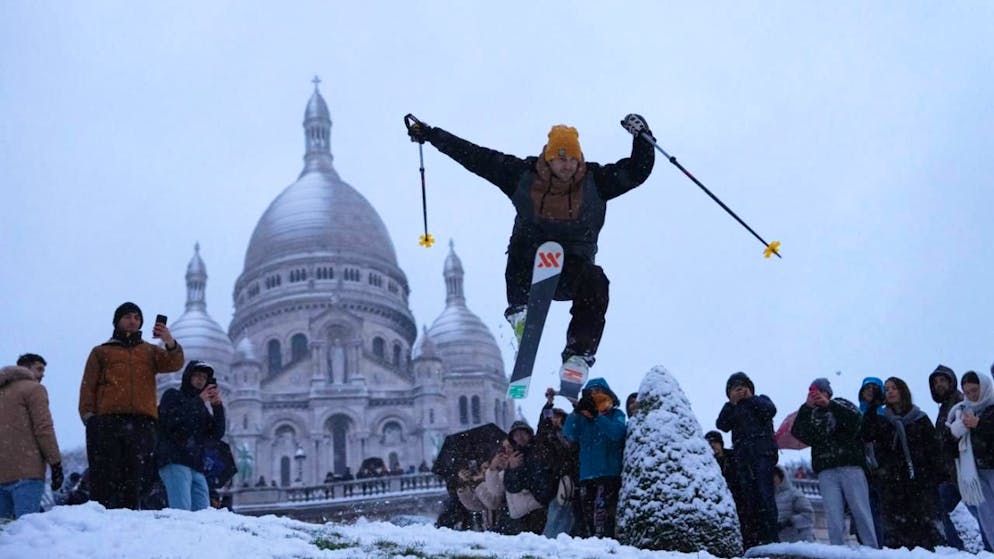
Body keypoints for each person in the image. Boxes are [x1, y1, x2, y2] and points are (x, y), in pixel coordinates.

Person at [406, 115, 655, 381]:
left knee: (597, 280)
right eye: (561, 159)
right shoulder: (522, 176)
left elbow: (637, 171)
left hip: (572, 273)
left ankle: (578, 355)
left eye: (573, 159)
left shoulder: (596, 181)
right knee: (524, 239)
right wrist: (432, 135)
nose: (568, 166)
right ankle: (520, 313)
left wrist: (643, 137)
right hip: (531, 268)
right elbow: (476, 157)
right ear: (548, 158)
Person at [78, 301, 184, 509]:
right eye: (128, 316)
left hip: (143, 422)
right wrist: (89, 417)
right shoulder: (101, 352)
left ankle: (132, 519)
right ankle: (104, 519)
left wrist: (168, 340)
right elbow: (88, 386)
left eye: (137, 317)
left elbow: (174, 363)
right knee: (107, 474)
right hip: (109, 421)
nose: (133, 321)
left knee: (138, 476)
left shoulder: (150, 351)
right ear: (117, 321)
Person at [790, 377, 879, 547]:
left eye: (820, 392)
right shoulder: (810, 414)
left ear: (828, 393)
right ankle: (837, 550)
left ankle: (872, 549)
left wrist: (829, 404)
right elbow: (799, 432)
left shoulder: (842, 404)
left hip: (851, 465)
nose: (816, 396)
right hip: (826, 469)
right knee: (833, 514)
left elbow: (856, 422)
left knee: (860, 509)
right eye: (812, 393)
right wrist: (806, 407)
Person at [860, 376, 945, 550]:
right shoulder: (882, 419)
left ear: (902, 391)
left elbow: (934, 449)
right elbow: (866, 434)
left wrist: (936, 476)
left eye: (894, 388)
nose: (890, 391)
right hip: (892, 482)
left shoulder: (919, 418)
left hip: (918, 481)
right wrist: (873, 406)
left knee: (923, 532)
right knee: (896, 535)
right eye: (887, 389)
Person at [716, 371, 779, 548]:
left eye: (742, 387)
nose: (739, 391)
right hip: (742, 459)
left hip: (762, 454)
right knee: (748, 500)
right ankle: (753, 539)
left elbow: (771, 410)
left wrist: (750, 399)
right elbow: (721, 425)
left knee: (765, 495)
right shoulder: (731, 408)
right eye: (734, 389)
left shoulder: (760, 400)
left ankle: (771, 537)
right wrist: (732, 404)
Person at [156, 360, 225, 511]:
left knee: (203, 514)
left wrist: (217, 407)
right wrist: (199, 401)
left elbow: (216, 434)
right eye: (197, 375)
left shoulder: (201, 407)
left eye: (204, 377)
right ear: (188, 376)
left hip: (196, 466)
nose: (201, 380)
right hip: (175, 461)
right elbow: (173, 422)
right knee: (182, 513)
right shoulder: (172, 395)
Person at [563, 378, 627, 539]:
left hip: (609, 475)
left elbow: (616, 433)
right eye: (591, 393)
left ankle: (608, 548)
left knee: (605, 519)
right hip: (587, 476)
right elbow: (569, 433)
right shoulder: (582, 419)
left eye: (599, 391)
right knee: (588, 518)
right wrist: (576, 411)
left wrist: (597, 416)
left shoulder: (616, 414)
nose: (595, 395)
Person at [0, 362, 62, 519]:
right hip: (27, 471)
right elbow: (43, 429)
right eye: (39, 369)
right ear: (27, 368)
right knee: (27, 530)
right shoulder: (34, 390)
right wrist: (55, 463)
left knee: (5, 536)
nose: (42, 374)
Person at [946, 371, 994, 549]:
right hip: (975, 472)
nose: (972, 396)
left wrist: (979, 425)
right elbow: (948, 446)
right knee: (988, 516)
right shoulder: (960, 411)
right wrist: (955, 432)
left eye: (975, 390)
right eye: (967, 392)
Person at [929, 364, 969, 550]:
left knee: (979, 512)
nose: (939, 385)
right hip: (950, 474)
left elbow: (956, 437)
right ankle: (956, 548)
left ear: (951, 381)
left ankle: (960, 548)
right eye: (936, 382)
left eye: (943, 380)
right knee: (937, 506)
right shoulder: (944, 407)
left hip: (964, 471)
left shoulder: (960, 402)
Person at [503, 420, 554, 534]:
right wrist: (512, 468)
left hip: (543, 504)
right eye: (516, 435)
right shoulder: (516, 457)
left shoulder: (540, 449)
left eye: (523, 433)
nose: (520, 437)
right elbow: (512, 486)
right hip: (526, 510)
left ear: (529, 434)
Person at [773, 466, 815, 542]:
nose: (771, 479)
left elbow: (809, 516)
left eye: (774, 476)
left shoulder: (794, 494)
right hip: (781, 545)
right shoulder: (768, 498)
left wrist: (789, 522)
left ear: (782, 476)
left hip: (800, 543)